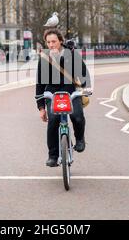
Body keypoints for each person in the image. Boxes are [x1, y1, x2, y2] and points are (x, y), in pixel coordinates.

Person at [35, 28, 92, 167]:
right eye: (48, 42)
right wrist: (41, 107)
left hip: (71, 92)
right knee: (53, 120)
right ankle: (53, 156)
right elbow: (39, 84)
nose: (51, 44)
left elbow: (84, 73)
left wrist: (85, 89)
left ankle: (79, 139)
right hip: (52, 94)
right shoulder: (44, 58)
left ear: (61, 41)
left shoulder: (72, 54)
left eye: (54, 41)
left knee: (77, 116)